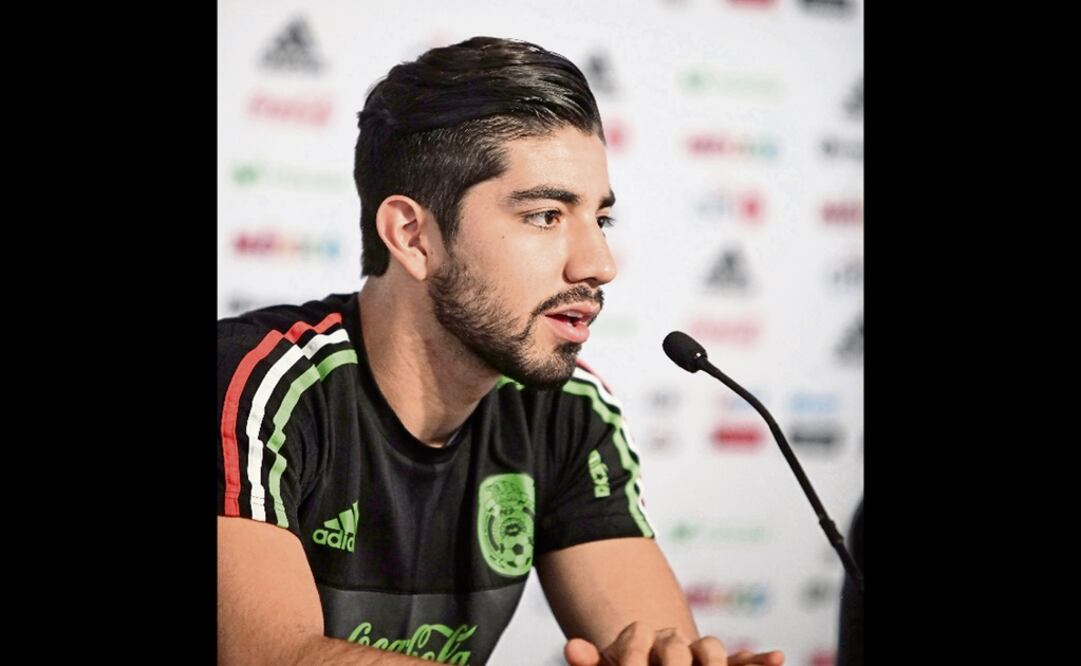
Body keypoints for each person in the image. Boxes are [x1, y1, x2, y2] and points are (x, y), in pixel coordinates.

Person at [217, 36, 786, 666]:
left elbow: (650, 644)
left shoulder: (568, 408)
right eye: (546, 215)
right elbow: (267, 655)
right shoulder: (256, 383)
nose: (599, 264)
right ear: (413, 235)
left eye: (600, 220)